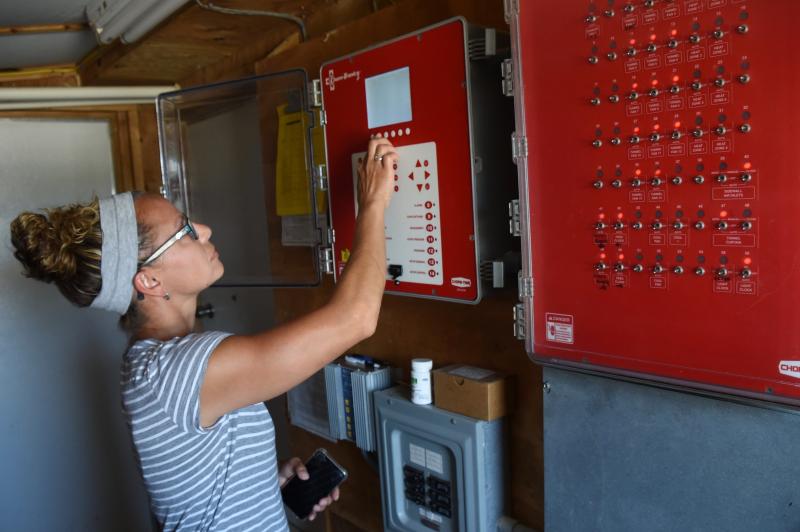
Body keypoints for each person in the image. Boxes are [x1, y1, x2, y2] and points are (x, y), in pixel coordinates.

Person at [9, 138, 399, 531]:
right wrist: (373, 203)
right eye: (185, 232)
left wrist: (266, 487)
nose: (205, 230)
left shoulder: (157, 364)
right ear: (149, 279)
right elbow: (356, 319)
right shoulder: (178, 370)